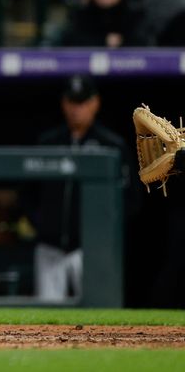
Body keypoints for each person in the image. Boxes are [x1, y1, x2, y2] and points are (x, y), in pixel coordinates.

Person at [25, 75, 134, 302]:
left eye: (82, 102)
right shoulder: (48, 143)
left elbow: (130, 199)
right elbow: (27, 193)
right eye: (72, 102)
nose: (77, 109)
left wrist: (104, 235)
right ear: (64, 103)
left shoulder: (111, 145)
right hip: (50, 247)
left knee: (99, 310)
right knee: (46, 317)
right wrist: (42, 224)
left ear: (95, 103)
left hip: (92, 249)